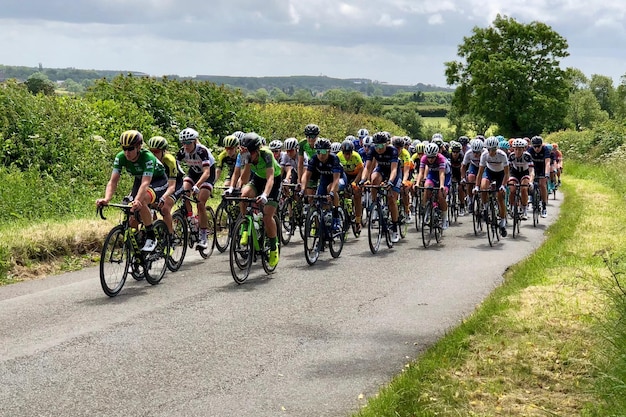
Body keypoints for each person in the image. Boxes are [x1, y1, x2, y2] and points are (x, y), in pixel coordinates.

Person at [96, 130, 169, 252]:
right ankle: (136, 245)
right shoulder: (120, 157)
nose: (126, 152)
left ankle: (151, 236)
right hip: (140, 180)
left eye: (130, 149)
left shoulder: (148, 158)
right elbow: (113, 181)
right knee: (129, 208)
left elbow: (146, 183)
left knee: (142, 201)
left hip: (157, 180)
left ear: (139, 147)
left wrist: (138, 200)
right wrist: (106, 198)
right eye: (124, 148)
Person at [228, 132, 282, 267]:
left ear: (257, 150)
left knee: (267, 216)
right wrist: (246, 162)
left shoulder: (267, 154)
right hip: (258, 178)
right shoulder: (244, 155)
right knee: (244, 195)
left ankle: (274, 247)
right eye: (247, 152)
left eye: (251, 153)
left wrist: (264, 195)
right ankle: (245, 224)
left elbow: (270, 178)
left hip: (274, 180)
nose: (249, 155)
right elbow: (244, 180)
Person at [176, 127, 216, 250]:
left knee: (200, 202)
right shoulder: (182, 152)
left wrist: (197, 186)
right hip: (193, 173)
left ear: (194, 141)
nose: (185, 145)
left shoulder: (202, 151)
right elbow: (175, 167)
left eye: (188, 143)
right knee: (184, 192)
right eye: (183, 143)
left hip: (207, 175)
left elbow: (206, 173)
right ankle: (191, 219)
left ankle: (203, 236)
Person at [359, 132, 402, 243]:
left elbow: (393, 170)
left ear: (387, 144)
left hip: (394, 172)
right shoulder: (373, 149)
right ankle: (375, 205)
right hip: (382, 169)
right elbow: (367, 167)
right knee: (374, 179)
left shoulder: (393, 151)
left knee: (392, 199)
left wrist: (390, 182)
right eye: (376, 145)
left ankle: (395, 228)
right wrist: (363, 180)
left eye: (381, 146)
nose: (378, 148)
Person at [300, 138, 344, 231]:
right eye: (318, 151)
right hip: (324, 178)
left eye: (324, 151)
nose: (321, 154)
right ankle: (323, 228)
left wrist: (332, 193)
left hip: (339, 178)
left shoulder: (334, 158)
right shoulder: (314, 159)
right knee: (320, 200)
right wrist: (302, 189)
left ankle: (336, 218)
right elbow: (306, 176)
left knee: (329, 189)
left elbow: (336, 180)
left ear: (328, 151)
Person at [147, 135, 185, 237]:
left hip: (176, 183)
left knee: (164, 208)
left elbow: (172, 186)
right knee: (149, 206)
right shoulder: (149, 160)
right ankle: (156, 232)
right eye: (151, 151)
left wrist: (163, 197)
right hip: (161, 183)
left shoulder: (169, 160)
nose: (153, 154)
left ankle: (171, 235)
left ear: (163, 151)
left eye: (156, 152)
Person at [474, 136, 510, 237]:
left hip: (501, 174)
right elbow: (480, 173)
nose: (491, 152)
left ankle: (502, 223)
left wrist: (503, 185)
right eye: (489, 149)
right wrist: (477, 186)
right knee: (483, 187)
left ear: (496, 148)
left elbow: (507, 174)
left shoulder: (502, 155)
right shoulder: (484, 155)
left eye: (493, 149)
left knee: (500, 197)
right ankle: (485, 208)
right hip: (489, 172)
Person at [414, 142, 450, 229]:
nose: (430, 159)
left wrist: (441, 185)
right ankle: (427, 208)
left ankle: (445, 218)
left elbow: (442, 174)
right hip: (433, 174)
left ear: (436, 155)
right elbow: (421, 172)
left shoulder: (441, 159)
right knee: (427, 187)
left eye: (433, 157)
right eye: (429, 157)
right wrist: (417, 183)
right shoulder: (424, 158)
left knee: (441, 196)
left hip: (445, 175)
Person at [338, 139, 364, 232]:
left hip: (356, 175)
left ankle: (358, 221)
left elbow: (361, 171)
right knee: (344, 191)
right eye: (345, 153)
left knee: (357, 194)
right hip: (345, 175)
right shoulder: (338, 156)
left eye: (349, 153)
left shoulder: (356, 156)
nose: (347, 155)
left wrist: (355, 182)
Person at [507, 138, 534, 220]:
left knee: (523, 189)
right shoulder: (511, 156)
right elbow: (507, 169)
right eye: (515, 149)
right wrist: (507, 179)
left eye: (520, 149)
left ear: (524, 149)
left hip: (525, 173)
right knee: (512, 190)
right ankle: (511, 207)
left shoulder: (527, 156)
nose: (517, 152)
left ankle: (524, 209)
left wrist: (531, 181)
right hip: (514, 173)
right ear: (513, 149)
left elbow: (531, 170)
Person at [527, 135, 551, 218]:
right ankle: (530, 200)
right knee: (528, 184)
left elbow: (547, 163)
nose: (537, 148)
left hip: (542, 168)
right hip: (533, 168)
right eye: (535, 146)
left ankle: (544, 207)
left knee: (542, 185)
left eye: (538, 146)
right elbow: (526, 163)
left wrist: (547, 174)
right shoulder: (529, 150)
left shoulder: (545, 150)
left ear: (542, 145)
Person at [297, 124, 320, 189]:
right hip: (312, 164)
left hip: (322, 165)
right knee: (308, 191)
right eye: (308, 136)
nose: (310, 139)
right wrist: (299, 178)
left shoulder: (321, 143)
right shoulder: (302, 143)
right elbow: (300, 163)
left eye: (313, 136)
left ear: (317, 136)